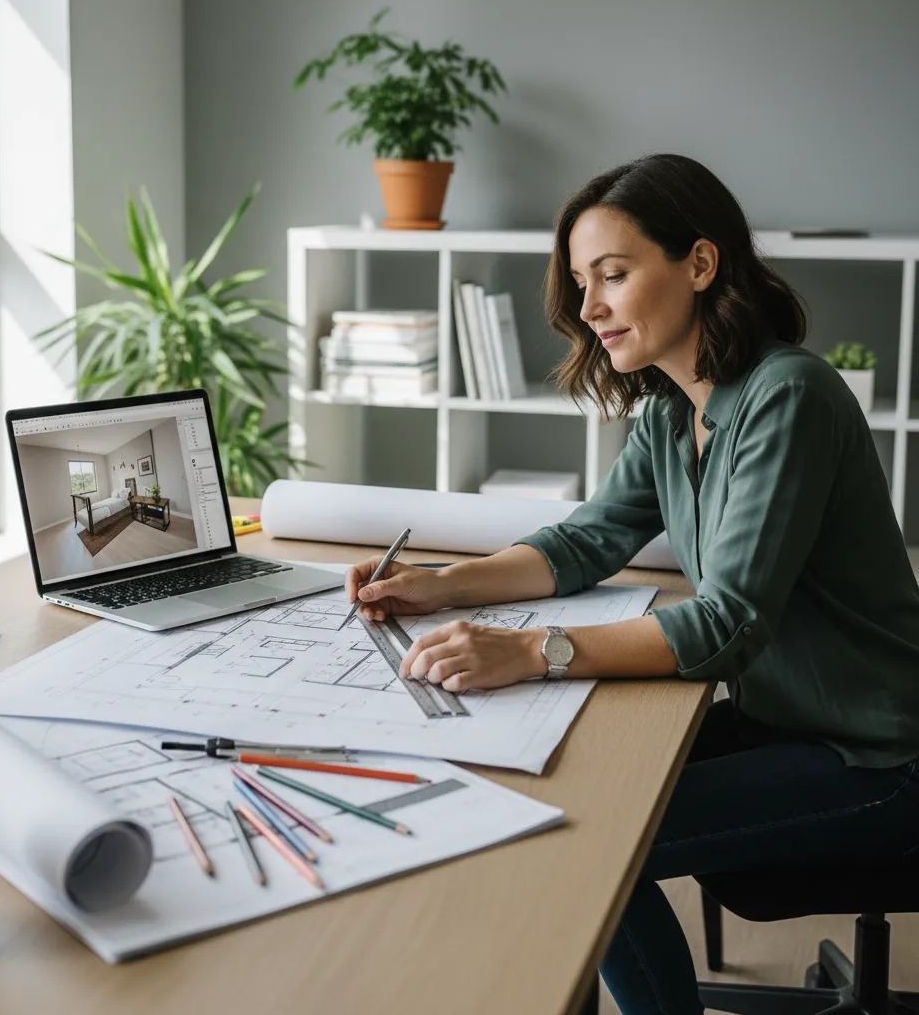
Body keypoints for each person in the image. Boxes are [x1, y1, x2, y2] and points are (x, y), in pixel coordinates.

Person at [343, 153, 919, 1014]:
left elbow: (728, 624)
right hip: (786, 723)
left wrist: (530, 652)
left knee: (587, 836)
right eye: (581, 283)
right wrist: (443, 586)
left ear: (698, 263)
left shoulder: (786, 396)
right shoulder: (669, 405)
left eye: (612, 274)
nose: (589, 309)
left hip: (874, 752)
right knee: (572, 792)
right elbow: (587, 540)